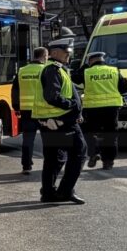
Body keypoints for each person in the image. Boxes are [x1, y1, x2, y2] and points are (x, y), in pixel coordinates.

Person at [35, 38, 87, 204]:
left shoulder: (57, 69)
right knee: (79, 152)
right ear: (55, 52)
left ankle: (48, 192)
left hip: (53, 122)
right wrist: (72, 105)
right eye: (66, 52)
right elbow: (52, 96)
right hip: (62, 122)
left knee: (54, 158)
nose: (68, 55)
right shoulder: (53, 70)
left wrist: (77, 110)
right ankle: (65, 191)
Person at [77, 51, 127, 170]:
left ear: (90, 60)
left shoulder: (87, 72)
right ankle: (108, 162)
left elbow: (75, 78)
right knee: (110, 134)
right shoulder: (114, 70)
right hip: (112, 108)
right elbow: (124, 88)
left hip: (92, 108)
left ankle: (93, 153)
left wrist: (84, 67)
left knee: (89, 132)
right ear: (103, 59)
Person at [11, 46, 49, 175]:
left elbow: (15, 90)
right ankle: (50, 165)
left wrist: (16, 107)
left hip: (26, 111)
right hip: (44, 111)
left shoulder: (22, 71)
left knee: (28, 139)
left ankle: (26, 166)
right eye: (47, 56)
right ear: (44, 56)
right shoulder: (46, 69)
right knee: (48, 139)